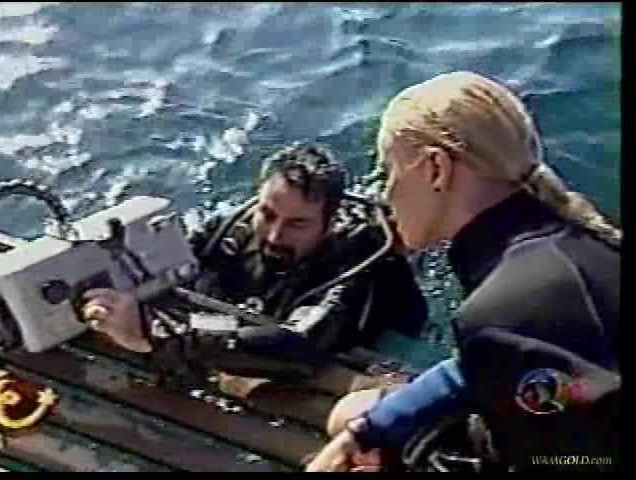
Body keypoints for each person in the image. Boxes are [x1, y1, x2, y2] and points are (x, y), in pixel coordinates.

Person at [305, 71, 620, 471]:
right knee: (352, 417)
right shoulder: (574, 245)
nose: (384, 194)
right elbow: (500, 368)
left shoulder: (502, 313)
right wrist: (369, 430)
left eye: (389, 172)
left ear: (436, 168)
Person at [81, 144, 428, 396]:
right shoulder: (227, 232)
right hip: (241, 324)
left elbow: (301, 344)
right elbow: (166, 271)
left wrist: (156, 337)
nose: (275, 235)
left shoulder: (354, 262)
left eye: (297, 224)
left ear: (328, 223)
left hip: (366, 338)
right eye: (268, 214)